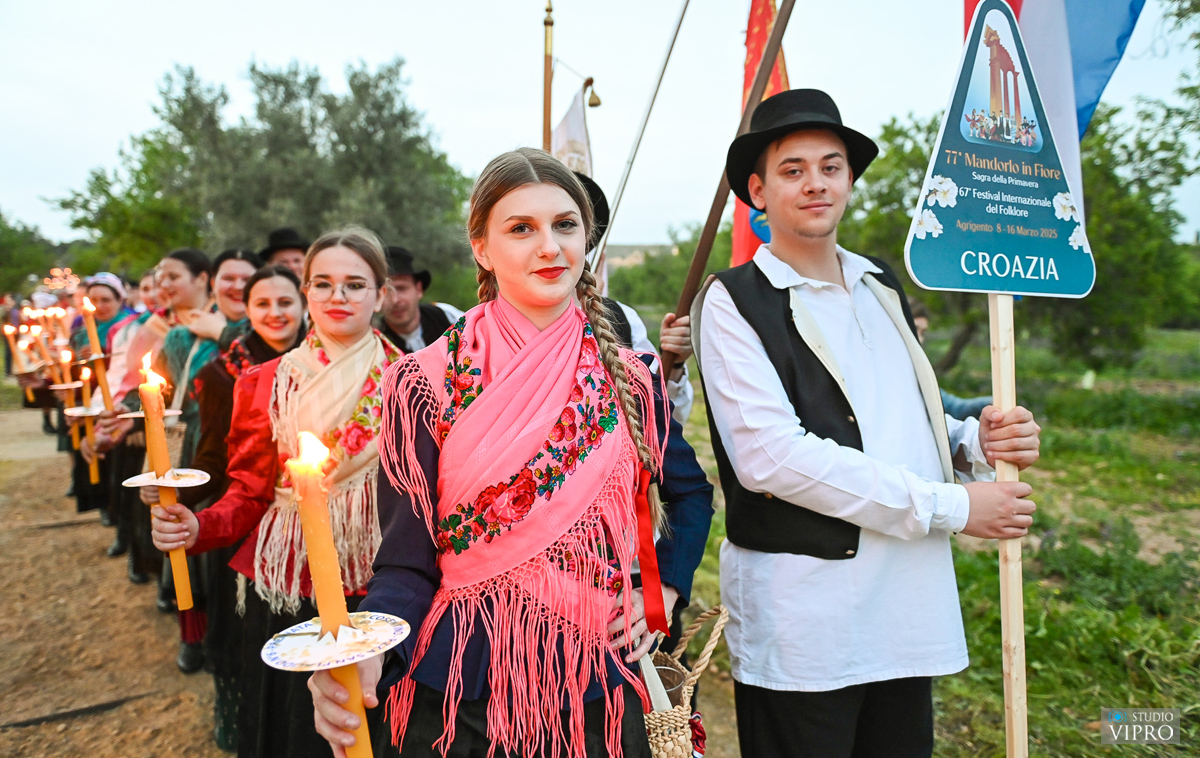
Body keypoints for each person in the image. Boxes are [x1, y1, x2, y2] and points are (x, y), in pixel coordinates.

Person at [308, 149, 713, 758]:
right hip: (463, 680)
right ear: (481, 248)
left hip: (599, 681)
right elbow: (405, 560)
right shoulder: (424, 383)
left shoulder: (631, 376)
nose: (549, 246)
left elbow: (689, 494)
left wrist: (660, 595)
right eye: (521, 229)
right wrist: (369, 652)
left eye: (565, 225)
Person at [693, 89, 1042, 758]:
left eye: (831, 165)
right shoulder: (734, 301)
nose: (816, 182)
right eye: (792, 170)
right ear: (758, 192)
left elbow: (903, 412)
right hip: (809, 624)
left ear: (850, 179)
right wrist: (951, 507)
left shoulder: (880, 282)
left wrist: (975, 442)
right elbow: (773, 458)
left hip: (905, 609)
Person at [151, 228, 402, 758]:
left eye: (355, 284)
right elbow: (246, 492)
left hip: (378, 584)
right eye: (324, 283)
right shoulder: (265, 381)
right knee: (292, 731)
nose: (339, 297)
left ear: (381, 294)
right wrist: (199, 526)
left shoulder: (413, 382)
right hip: (288, 583)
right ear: (307, 292)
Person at [177, 264, 306, 752]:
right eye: (263, 304)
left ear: (302, 305)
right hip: (251, 531)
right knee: (251, 656)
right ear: (246, 312)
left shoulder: (338, 363)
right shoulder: (221, 373)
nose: (275, 313)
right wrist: (182, 497)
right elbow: (214, 458)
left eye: (285, 302)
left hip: (335, 545)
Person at [573, 172, 694, 424]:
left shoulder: (622, 319)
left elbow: (668, 423)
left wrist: (673, 365)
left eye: (566, 226)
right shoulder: (479, 334)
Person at [908, 298, 992, 421]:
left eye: (923, 333)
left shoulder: (916, 374)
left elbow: (953, 407)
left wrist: (995, 403)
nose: (920, 339)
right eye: (915, 328)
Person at [378, 246, 463, 354]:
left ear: (418, 289)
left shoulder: (447, 315)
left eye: (401, 288)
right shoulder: (376, 343)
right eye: (387, 291)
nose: (395, 300)